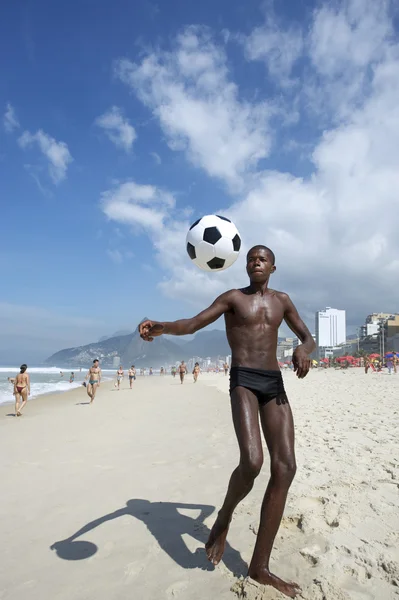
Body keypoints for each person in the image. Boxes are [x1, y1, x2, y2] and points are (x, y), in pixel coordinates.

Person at [139, 245, 315, 598]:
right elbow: (192, 324)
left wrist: (302, 350)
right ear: (245, 265)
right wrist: (162, 327)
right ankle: (224, 517)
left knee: (286, 467)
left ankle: (259, 567)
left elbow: (308, 337)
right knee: (252, 462)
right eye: (251, 258)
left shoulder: (283, 300)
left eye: (262, 259)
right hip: (244, 381)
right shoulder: (233, 298)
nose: (256, 262)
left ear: (273, 267)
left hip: (273, 383)